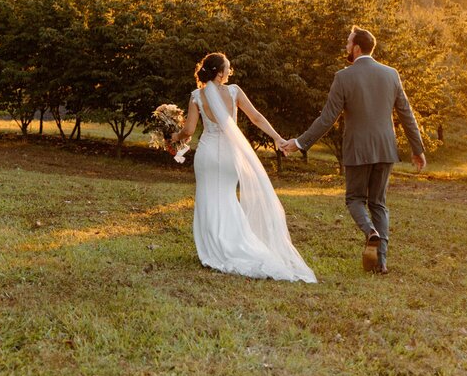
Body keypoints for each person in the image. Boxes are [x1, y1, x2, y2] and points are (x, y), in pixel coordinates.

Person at [282, 26, 425, 275]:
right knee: (378, 203)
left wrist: (301, 142)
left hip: (358, 149)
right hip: (385, 148)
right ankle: (381, 262)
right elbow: (406, 114)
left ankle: (370, 232)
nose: (346, 47)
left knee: (354, 199)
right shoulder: (391, 74)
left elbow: (327, 118)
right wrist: (417, 148)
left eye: (348, 43)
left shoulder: (343, 77)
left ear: (357, 47)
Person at [173, 52, 316, 283]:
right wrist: (278, 138)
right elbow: (257, 118)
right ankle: (235, 244)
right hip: (230, 155)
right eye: (228, 68)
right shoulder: (234, 92)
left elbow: (189, 130)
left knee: (208, 199)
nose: (230, 71)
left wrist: (176, 135)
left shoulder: (197, 96)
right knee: (228, 199)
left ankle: (214, 249)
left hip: (207, 154)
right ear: (220, 72)